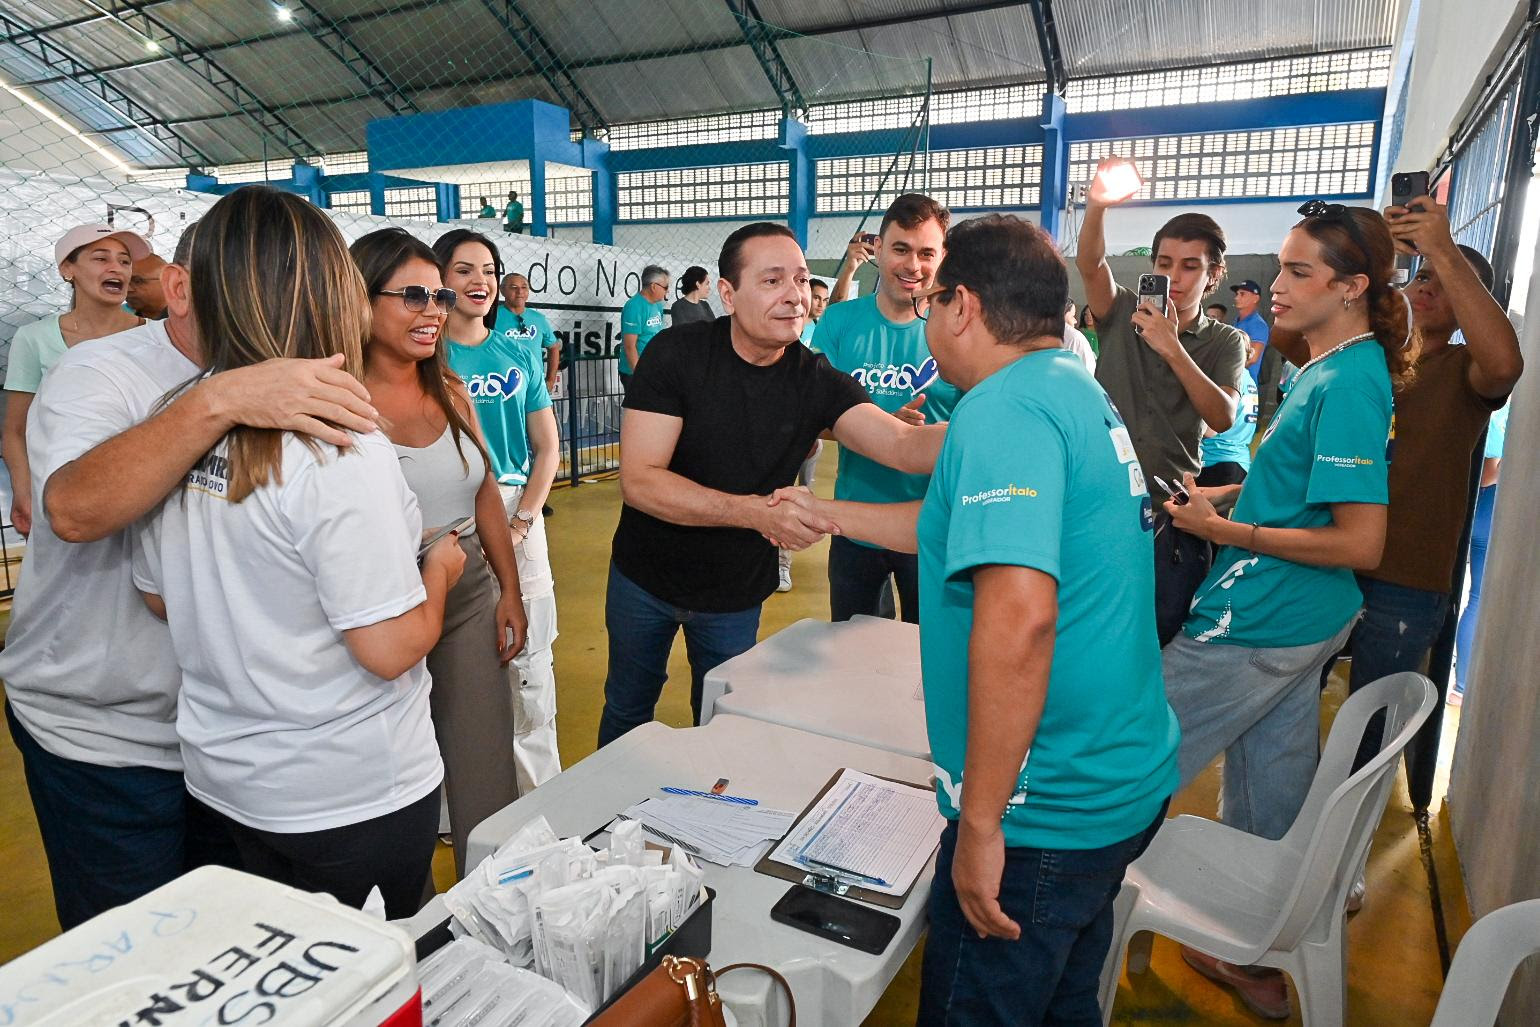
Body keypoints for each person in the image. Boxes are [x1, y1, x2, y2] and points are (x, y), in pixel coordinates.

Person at [768, 215, 1178, 1024]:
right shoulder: (1066, 386)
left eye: (933, 297)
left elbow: (1020, 618)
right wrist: (830, 515)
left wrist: (984, 821)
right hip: (1118, 778)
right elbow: (949, 524)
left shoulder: (1004, 412)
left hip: (1045, 807)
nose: (924, 316)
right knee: (1062, 1001)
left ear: (962, 307)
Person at [3, 198, 380, 930]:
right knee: (138, 957)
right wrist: (222, 396)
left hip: (234, 744)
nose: (268, 305)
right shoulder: (97, 373)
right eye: (245, 282)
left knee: (239, 948)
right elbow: (74, 509)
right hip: (105, 739)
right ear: (178, 289)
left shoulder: (291, 379)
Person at [133, 188, 458, 919]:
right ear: (329, 289)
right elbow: (387, 645)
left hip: (226, 786)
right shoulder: (335, 437)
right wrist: (437, 572)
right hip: (348, 794)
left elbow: (158, 594)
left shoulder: (176, 420)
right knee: (375, 984)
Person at [1159, 202, 1408, 1020]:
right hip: (1303, 618)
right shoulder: (1324, 368)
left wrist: (1226, 527)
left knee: (1130, 752)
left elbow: (1360, 539)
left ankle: (1058, 902)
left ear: (1354, 286)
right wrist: (1239, 490)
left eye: (1301, 272)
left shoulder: (1350, 382)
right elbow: (1304, 491)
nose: (1277, 289)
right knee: (1271, 781)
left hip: (1262, 617)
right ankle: (1253, 945)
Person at [597, 222, 948, 746]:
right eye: (773, 281)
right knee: (628, 705)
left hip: (735, 590)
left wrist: (1002, 411)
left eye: (803, 280)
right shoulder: (677, 354)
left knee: (723, 719)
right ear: (727, 293)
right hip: (644, 579)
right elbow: (642, 482)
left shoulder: (814, 378)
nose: (795, 296)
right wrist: (760, 513)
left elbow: (900, 445)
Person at [1271, 199, 1520, 742]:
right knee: (1284, 709)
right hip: (1327, 558)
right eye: (1423, 274)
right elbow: (1286, 336)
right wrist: (1373, 254)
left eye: (1449, 282)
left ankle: (1345, 829)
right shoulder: (1361, 356)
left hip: (1405, 578)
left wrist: (1443, 249)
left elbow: (1505, 365)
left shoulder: (1462, 373)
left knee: (1370, 731)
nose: (1431, 285)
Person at [352, 228, 527, 877]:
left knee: (485, 768)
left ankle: (497, 907)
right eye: (415, 296)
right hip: (378, 604)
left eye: (440, 295)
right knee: (390, 785)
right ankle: (415, 925)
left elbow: (483, 489)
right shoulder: (336, 406)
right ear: (361, 301)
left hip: (468, 590)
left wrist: (507, 588)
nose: (435, 309)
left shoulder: (451, 390)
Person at [1077, 157, 1248, 645]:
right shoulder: (1123, 311)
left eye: (1191, 266)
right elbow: (1090, 264)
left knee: (1161, 638)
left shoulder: (1225, 341)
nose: (1174, 276)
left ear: (1213, 274)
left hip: (1172, 515)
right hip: (1101, 500)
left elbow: (1221, 415)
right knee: (1094, 633)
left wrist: (1172, 346)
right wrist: (1096, 207)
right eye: (1165, 263)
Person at [436, 229, 564, 790]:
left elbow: (548, 447)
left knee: (531, 657)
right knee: (447, 658)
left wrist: (520, 521)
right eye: (463, 270)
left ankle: (539, 791)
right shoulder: (425, 353)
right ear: (437, 280)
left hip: (515, 512)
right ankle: (450, 799)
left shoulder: (517, 349)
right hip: (443, 516)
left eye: (487, 270)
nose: (479, 282)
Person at [811, 193, 960, 623]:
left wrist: (917, 439)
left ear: (942, 256)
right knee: (854, 656)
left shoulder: (959, 329)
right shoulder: (839, 323)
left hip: (932, 526)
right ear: (878, 249)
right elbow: (815, 416)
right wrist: (877, 427)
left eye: (927, 253)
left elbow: (978, 424)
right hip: (856, 522)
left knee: (925, 660)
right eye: (901, 249)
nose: (913, 266)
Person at [3, 224, 149, 536]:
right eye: (100, 259)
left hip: (144, 493)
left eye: (124, 261)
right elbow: (14, 431)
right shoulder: (34, 339)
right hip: (62, 499)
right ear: (68, 270)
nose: (117, 268)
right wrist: (25, 491)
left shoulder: (157, 337)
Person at [1454, 403, 1509, 705]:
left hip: (1463, 509)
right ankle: (1462, 686)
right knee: (1478, 597)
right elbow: (1488, 474)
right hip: (1486, 508)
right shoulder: (1503, 411)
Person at [494, 272, 560, 393]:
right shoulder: (491, 317)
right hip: (502, 385)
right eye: (513, 287)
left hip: (534, 385)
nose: (519, 292)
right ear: (502, 291)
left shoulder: (538, 319)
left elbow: (554, 347)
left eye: (524, 287)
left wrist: (550, 380)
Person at [1197, 372, 1258, 488]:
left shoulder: (1229, 377)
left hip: (1216, 459)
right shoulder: (1246, 377)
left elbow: (1210, 430)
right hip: (1237, 459)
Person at [617, 265, 669, 390]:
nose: (667, 291)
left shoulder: (658, 305)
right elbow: (630, 347)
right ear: (653, 286)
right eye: (665, 287)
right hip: (634, 372)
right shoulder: (634, 307)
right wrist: (640, 377)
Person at [1231, 278, 1271, 382]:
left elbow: (1252, 358)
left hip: (1245, 387)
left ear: (1255, 298)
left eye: (1242, 294)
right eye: (1237, 294)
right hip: (1233, 383)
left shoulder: (1258, 324)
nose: (1237, 298)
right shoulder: (1237, 321)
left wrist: (1225, 370)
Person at [128, 254, 168, 320]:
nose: (127, 289)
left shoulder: (188, 321)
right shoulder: (121, 324)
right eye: (124, 282)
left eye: (137, 281)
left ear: (166, 280)